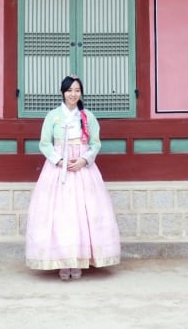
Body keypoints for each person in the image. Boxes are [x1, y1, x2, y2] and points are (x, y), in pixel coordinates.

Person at [25, 75, 121, 280]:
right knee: (61, 213)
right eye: (69, 90)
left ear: (81, 93)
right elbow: (45, 143)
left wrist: (84, 160)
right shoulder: (52, 116)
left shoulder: (87, 116)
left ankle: (78, 260)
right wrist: (59, 160)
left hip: (82, 170)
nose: (73, 94)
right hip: (58, 170)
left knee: (83, 213)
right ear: (63, 92)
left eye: (77, 90)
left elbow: (95, 143)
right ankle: (62, 261)